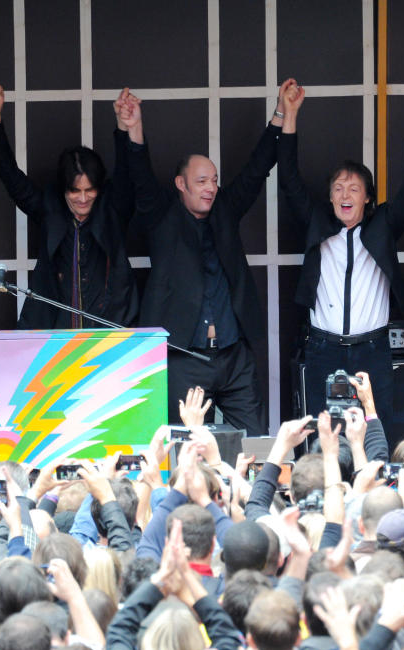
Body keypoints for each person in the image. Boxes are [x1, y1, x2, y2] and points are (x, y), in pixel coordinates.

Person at [120, 82, 298, 433]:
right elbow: (139, 175)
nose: (210, 188)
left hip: (233, 354)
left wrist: (281, 113)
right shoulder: (162, 217)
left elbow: (256, 169)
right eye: (201, 181)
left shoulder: (225, 211)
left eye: (214, 180)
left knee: (253, 441)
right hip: (184, 356)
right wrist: (134, 128)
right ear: (181, 184)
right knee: (182, 445)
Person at [278, 83, 404, 443]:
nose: (345, 195)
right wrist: (290, 115)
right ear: (329, 196)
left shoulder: (383, 225)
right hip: (323, 347)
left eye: (354, 188)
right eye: (338, 188)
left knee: (376, 436)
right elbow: (288, 178)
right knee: (325, 439)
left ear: (368, 197)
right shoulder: (319, 223)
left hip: (372, 349)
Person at [0, 85, 138, 330]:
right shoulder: (50, 207)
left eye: (90, 190)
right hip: (54, 337)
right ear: (64, 189)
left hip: (109, 334)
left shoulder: (111, 209)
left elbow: (128, 176)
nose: (83, 198)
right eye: (75, 191)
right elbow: (12, 178)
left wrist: (122, 127)